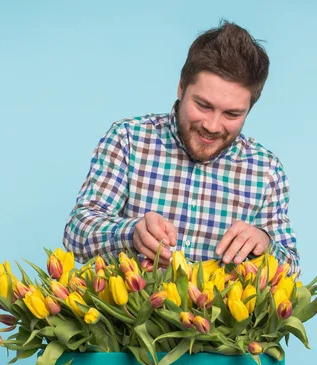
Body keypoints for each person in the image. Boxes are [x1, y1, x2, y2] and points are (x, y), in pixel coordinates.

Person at [63, 21, 300, 275]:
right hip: (129, 314)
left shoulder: (266, 170)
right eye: (203, 105)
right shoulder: (128, 140)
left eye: (231, 114)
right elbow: (76, 234)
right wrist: (131, 234)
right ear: (181, 87)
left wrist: (265, 244)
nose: (212, 125)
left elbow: (292, 266)